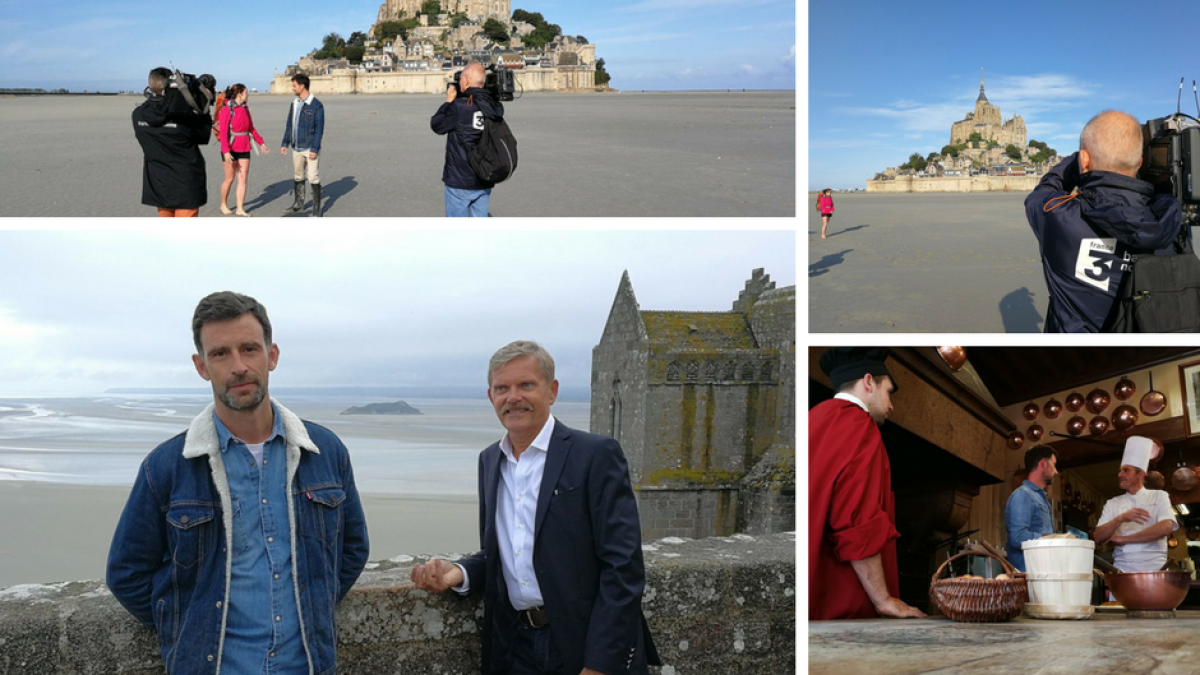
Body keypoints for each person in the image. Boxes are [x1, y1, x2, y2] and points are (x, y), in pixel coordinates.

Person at [106, 291, 368, 675]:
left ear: (272, 355)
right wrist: (188, 624)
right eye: (220, 354)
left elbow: (352, 549)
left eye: (249, 349)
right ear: (201, 366)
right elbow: (126, 573)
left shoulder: (324, 452)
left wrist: (314, 607)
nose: (239, 366)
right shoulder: (167, 467)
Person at [410, 340, 659, 675]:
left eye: (526, 385)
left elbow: (623, 568)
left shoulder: (595, 454)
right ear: (490, 397)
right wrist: (460, 573)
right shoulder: (490, 460)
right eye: (502, 388)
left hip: (583, 646)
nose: (513, 397)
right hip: (516, 646)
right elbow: (507, 552)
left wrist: (599, 665)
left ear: (552, 391)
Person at [1025, 110, 1184, 332]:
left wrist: (1078, 160)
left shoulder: (1060, 217)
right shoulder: (1171, 223)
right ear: (1139, 163)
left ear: (1084, 159)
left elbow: (1043, 192)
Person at [809, 347, 926, 620]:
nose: (891, 405)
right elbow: (857, 520)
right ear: (869, 381)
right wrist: (883, 599)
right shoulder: (858, 425)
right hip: (840, 604)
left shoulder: (814, 418)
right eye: (889, 392)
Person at [132, 66, 211, 217]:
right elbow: (203, 136)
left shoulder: (138, 114)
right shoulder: (182, 117)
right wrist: (202, 105)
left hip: (158, 181)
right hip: (186, 181)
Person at [1094, 436, 1178, 572]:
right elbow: (1098, 536)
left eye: (1126, 470)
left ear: (1141, 475)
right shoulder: (1112, 503)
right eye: (1120, 471)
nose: (1120, 474)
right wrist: (1121, 518)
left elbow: (1166, 527)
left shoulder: (1158, 496)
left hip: (1155, 568)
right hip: (1122, 569)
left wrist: (1123, 539)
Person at [430, 62, 504, 217]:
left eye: (461, 78)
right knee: (479, 228)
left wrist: (449, 101)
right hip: (484, 175)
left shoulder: (459, 107)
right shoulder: (493, 107)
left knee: (458, 232)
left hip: (460, 179)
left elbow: (437, 124)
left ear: (466, 80)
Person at [217, 84, 269, 216]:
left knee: (243, 177)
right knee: (229, 178)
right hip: (230, 147)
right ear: (239, 93)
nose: (248, 94)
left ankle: (240, 208)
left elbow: (251, 127)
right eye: (246, 92)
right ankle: (223, 203)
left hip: (245, 145)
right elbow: (223, 132)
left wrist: (261, 142)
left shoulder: (245, 108)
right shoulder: (227, 109)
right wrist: (226, 151)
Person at [1004, 445, 1058, 571]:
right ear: (1043, 464)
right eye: (1054, 465)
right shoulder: (1023, 495)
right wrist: (1050, 539)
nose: (1056, 471)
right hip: (1028, 579)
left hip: (1042, 574)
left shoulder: (1041, 499)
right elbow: (1017, 537)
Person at [280, 73, 324, 217]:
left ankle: (317, 208)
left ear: (302, 86)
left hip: (310, 147)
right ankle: (299, 204)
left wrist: (314, 149)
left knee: (313, 177)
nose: (292, 88)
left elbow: (319, 129)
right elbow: (289, 125)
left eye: (294, 86)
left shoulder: (316, 105)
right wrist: (285, 143)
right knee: (298, 176)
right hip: (296, 147)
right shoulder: (294, 103)